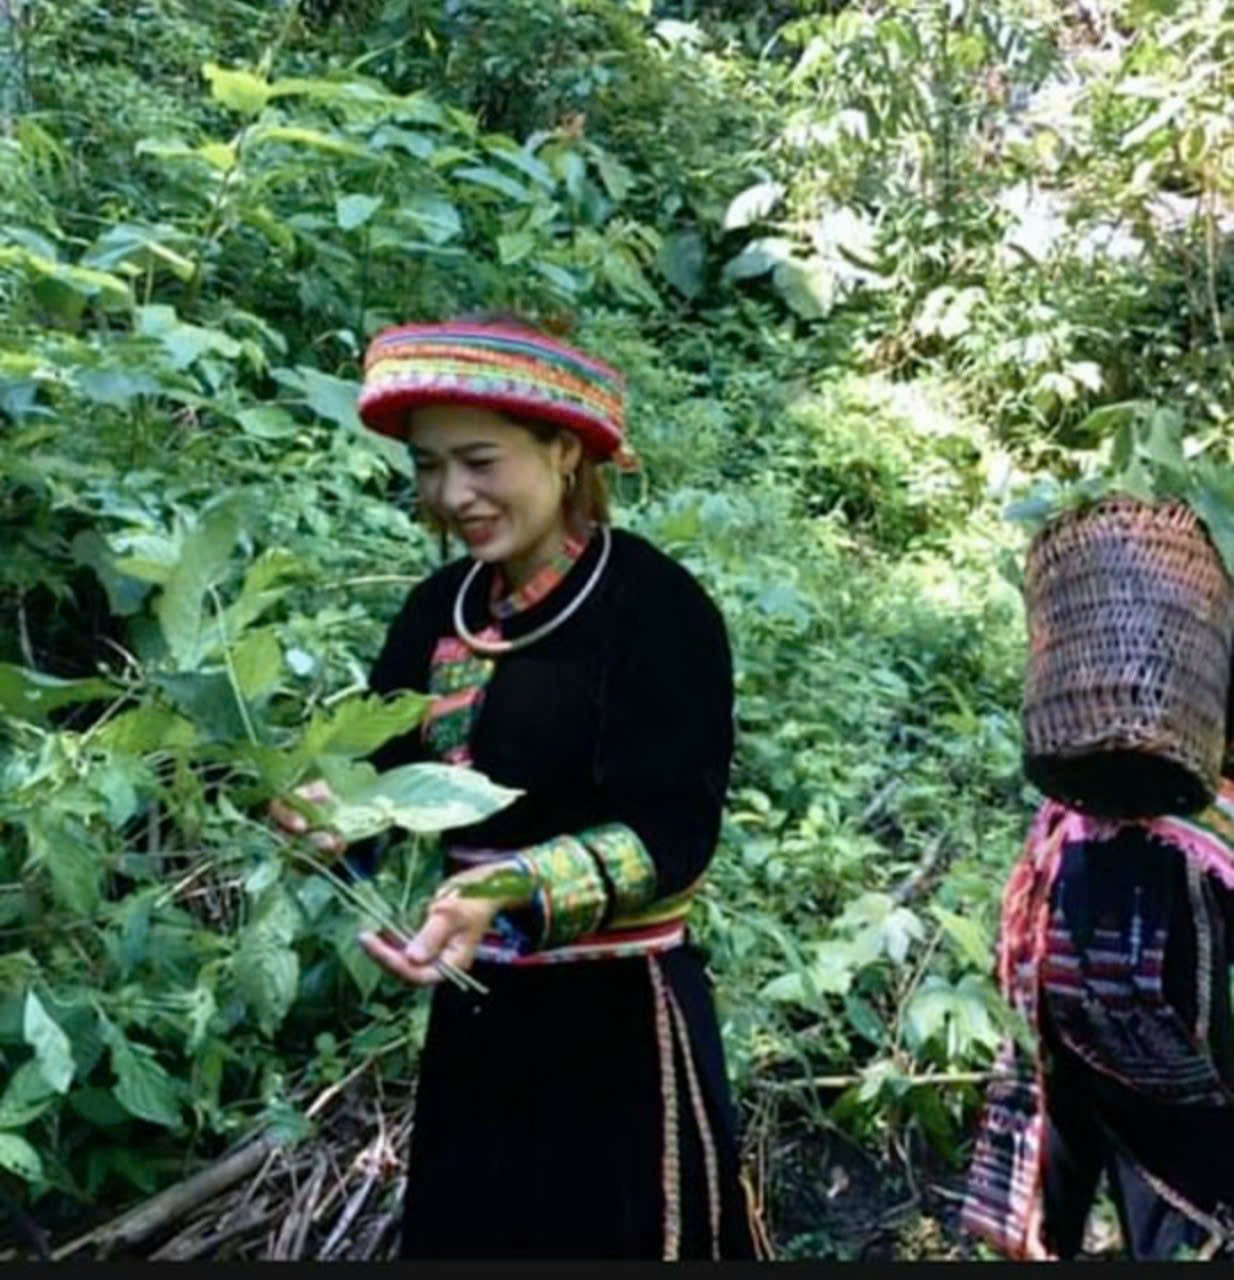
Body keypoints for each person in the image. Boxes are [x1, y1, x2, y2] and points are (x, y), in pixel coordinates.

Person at [270, 317, 759, 1260]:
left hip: (618, 1030)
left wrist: (505, 888)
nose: (452, 495)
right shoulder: (437, 610)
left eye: (480, 461)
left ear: (564, 451)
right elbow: (383, 786)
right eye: (428, 466)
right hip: (478, 1018)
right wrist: (332, 820)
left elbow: (673, 833)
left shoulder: (656, 608)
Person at [961, 755, 1234, 1260]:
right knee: (1172, 1152)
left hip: (1067, 894)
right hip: (1154, 931)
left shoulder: (1066, 812)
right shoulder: (1207, 827)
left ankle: (1047, 1235)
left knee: (1068, 1102)